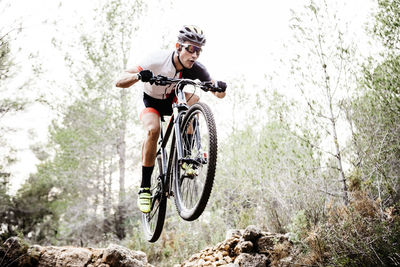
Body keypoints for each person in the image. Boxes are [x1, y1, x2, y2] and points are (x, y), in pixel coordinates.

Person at [115, 25, 227, 213]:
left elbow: (219, 94)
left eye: (198, 51)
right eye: (190, 49)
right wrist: (138, 76)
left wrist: (219, 88)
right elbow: (119, 81)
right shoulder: (157, 59)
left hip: (172, 99)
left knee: (195, 101)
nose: (194, 55)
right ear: (178, 46)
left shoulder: (196, 68)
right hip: (149, 101)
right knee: (153, 130)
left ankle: (187, 156)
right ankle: (144, 188)